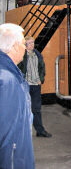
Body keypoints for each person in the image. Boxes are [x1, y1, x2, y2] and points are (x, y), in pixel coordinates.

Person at [0, 23, 35, 169]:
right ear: (14, 47)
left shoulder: (10, 74)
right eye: (22, 43)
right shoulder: (7, 80)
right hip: (14, 158)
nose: (25, 47)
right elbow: (6, 132)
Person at [18, 36, 52, 138]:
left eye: (33, 42)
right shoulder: (21, 56)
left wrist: (40, 79)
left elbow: (42, 68)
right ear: (25, 45)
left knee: (36, 109)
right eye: (29, 43)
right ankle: (22, 133)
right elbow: (18, 69)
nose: (32, 45)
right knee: (24, 109)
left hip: (36, 86)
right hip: (26, 86)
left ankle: (40, 131)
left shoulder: (38, 55)